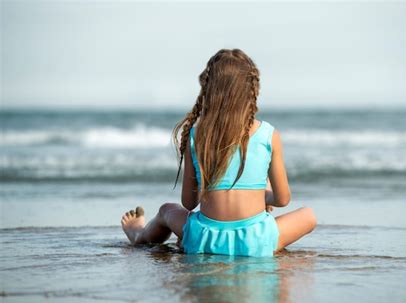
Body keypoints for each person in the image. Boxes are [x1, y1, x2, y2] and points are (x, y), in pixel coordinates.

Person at [121, 49, 317, 257]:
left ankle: (138, 235)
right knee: (308, 215)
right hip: (256, 241)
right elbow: (283, 199)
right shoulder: (269, 135)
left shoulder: (196, 136)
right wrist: (262, 196)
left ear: (208, 89)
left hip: (204, 240)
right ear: (252, 90)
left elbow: (189, 203)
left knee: (166, 210)